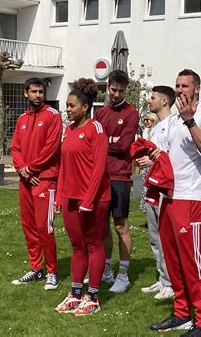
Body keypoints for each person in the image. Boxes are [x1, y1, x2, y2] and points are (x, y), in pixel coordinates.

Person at [150, 69, 201, 337]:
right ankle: (181, 313)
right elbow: (170, 155)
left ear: (197, 88)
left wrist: (191, 121)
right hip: (169, 196)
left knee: (193, 261)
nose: (179, 90)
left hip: (191, 197)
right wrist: (152, 158)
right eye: (177, 85)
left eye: (185, 86)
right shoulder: (174, 119)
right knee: (174, 259)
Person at [54, 78, 111, 315]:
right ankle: (76, 293)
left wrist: (89, 200)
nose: (67, 109)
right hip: (70, 198)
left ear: (85, 107)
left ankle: (93, 297)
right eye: (66, 105)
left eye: (71, 106)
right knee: (77, 247)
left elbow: (99, 169)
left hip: (95, 200)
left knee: (93, 245)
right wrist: (59, 198)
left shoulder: (95, 129)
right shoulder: (68, 131)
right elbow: (64, 167)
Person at [10, 77, 62, 290]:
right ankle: (35, 267)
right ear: (26, 93)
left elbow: (51, 148)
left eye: (41, 91)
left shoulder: (52, 115)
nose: (38, 95)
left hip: (44, 179)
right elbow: (15, 148)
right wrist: (22, 170)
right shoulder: (22, 119)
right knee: (29, 226)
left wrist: (30, 169)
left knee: (44, 227)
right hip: (25, 180)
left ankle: (52, 272)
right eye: (34, 91)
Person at [94, 69, 139, 293]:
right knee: (102, 227)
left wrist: (103, 142)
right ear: (107, 87)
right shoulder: (100, 114)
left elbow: (124, 146)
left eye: (121, 90)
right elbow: (93, 142)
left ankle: (124, 274)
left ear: (126, 90)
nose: (116, 94)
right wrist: (107, 141)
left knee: (120, 225)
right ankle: (107, 270)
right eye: (113, 89)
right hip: (100, 177)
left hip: (120, 177)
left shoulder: (132, 113)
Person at [136, 86, 176, 300]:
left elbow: (173, 156)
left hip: (165, 189)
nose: (149, 101)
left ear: (164, 101)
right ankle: (162, 278)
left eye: (153, 98)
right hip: (151, 186)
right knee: (154, 237)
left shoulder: (174, 125)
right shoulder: (157, 127)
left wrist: (153, 160)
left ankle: (171, 283)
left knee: (165, 237)